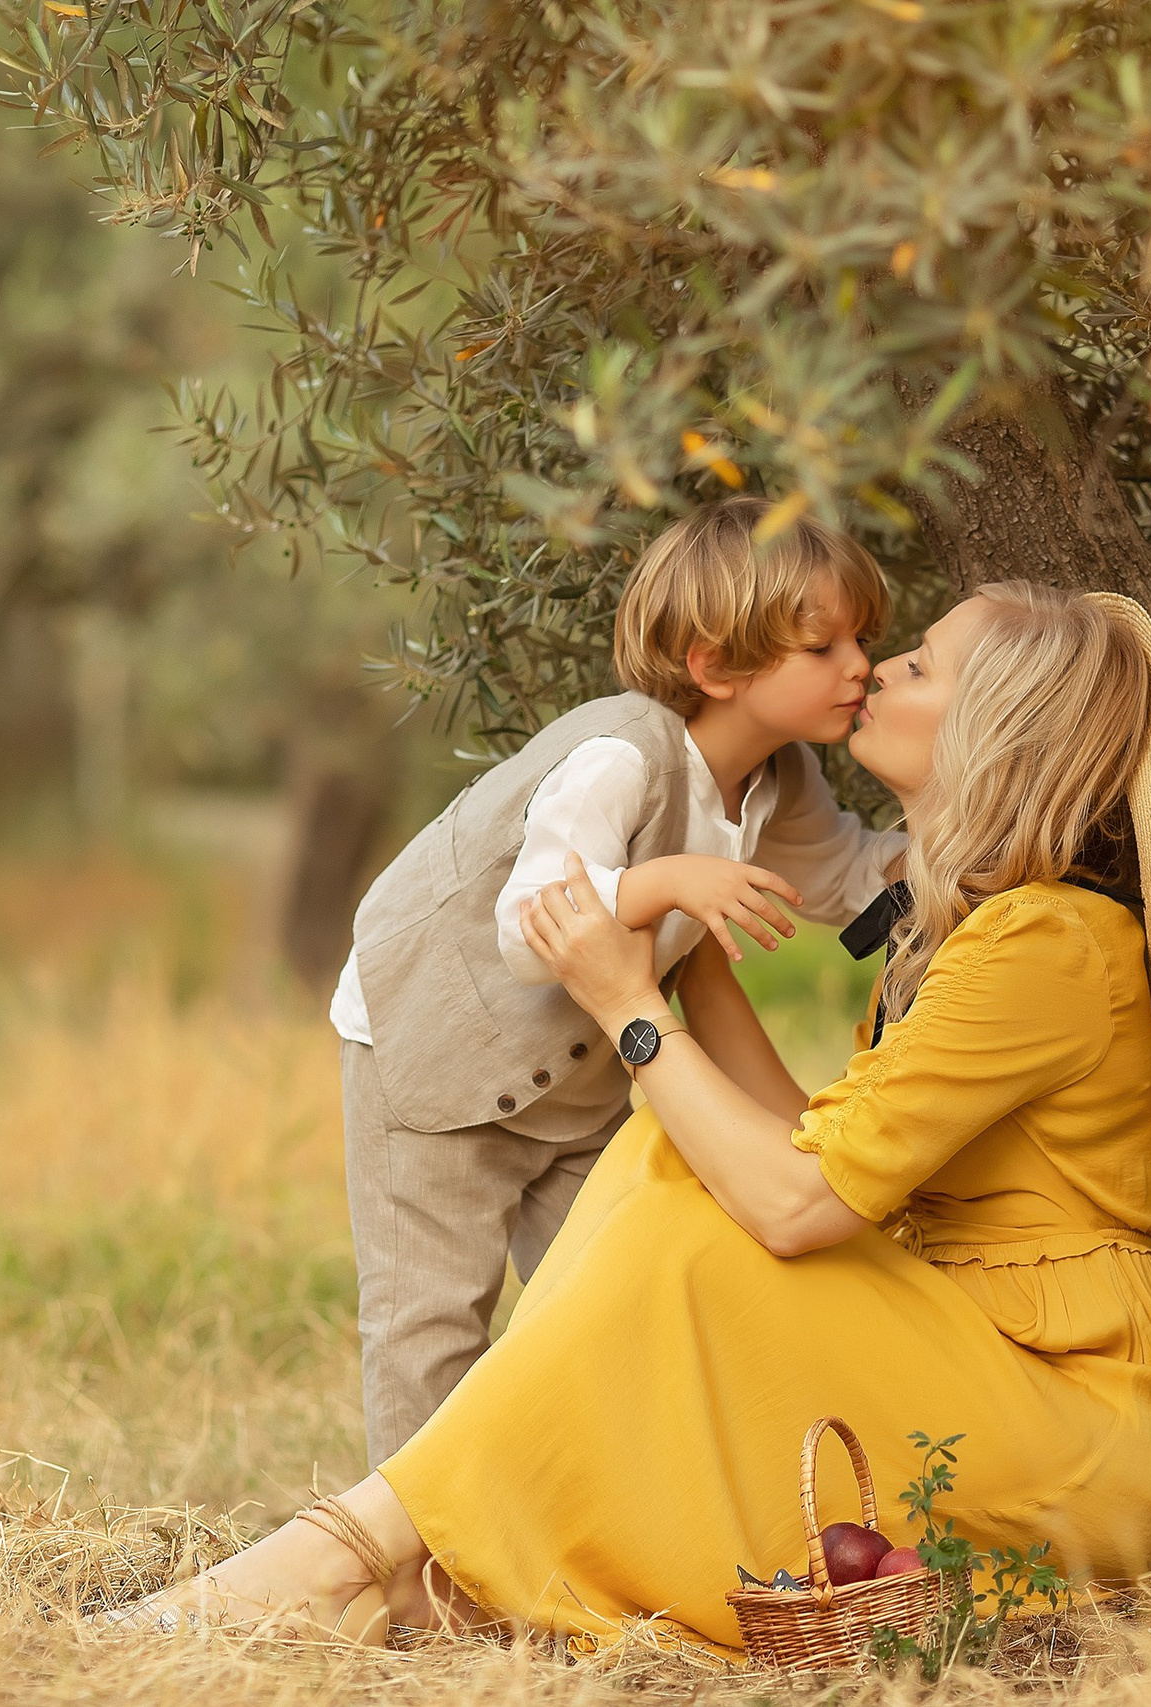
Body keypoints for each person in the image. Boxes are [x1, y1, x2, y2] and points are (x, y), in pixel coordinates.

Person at [114, 580, 1151, 1651]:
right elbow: (820, 1152)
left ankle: (342, 1553)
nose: (876, 677)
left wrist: (624, 1005)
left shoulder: (1043, 943)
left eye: (914, 665)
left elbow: (799, 1206)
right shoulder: (981, 931)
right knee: (670, 1153)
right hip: (977, 1359)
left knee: (693, 1217)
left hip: (1075, 1416)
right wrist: (683, 961)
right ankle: (404, 1561)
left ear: (996, 727)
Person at [327, 495, 909, 1466]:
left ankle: (561, 1519)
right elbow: (529, 925)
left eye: (864, 640)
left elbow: (850, 876)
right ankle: (415, 1577)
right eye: (823, 647)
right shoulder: (618, 752)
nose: (860, 666)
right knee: (428, 1321)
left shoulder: (782, 779)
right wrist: (667, 880)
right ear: (716, 666)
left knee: (602, 1301)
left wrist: (988, 856)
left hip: (580, 1083)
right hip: (431, 1051)